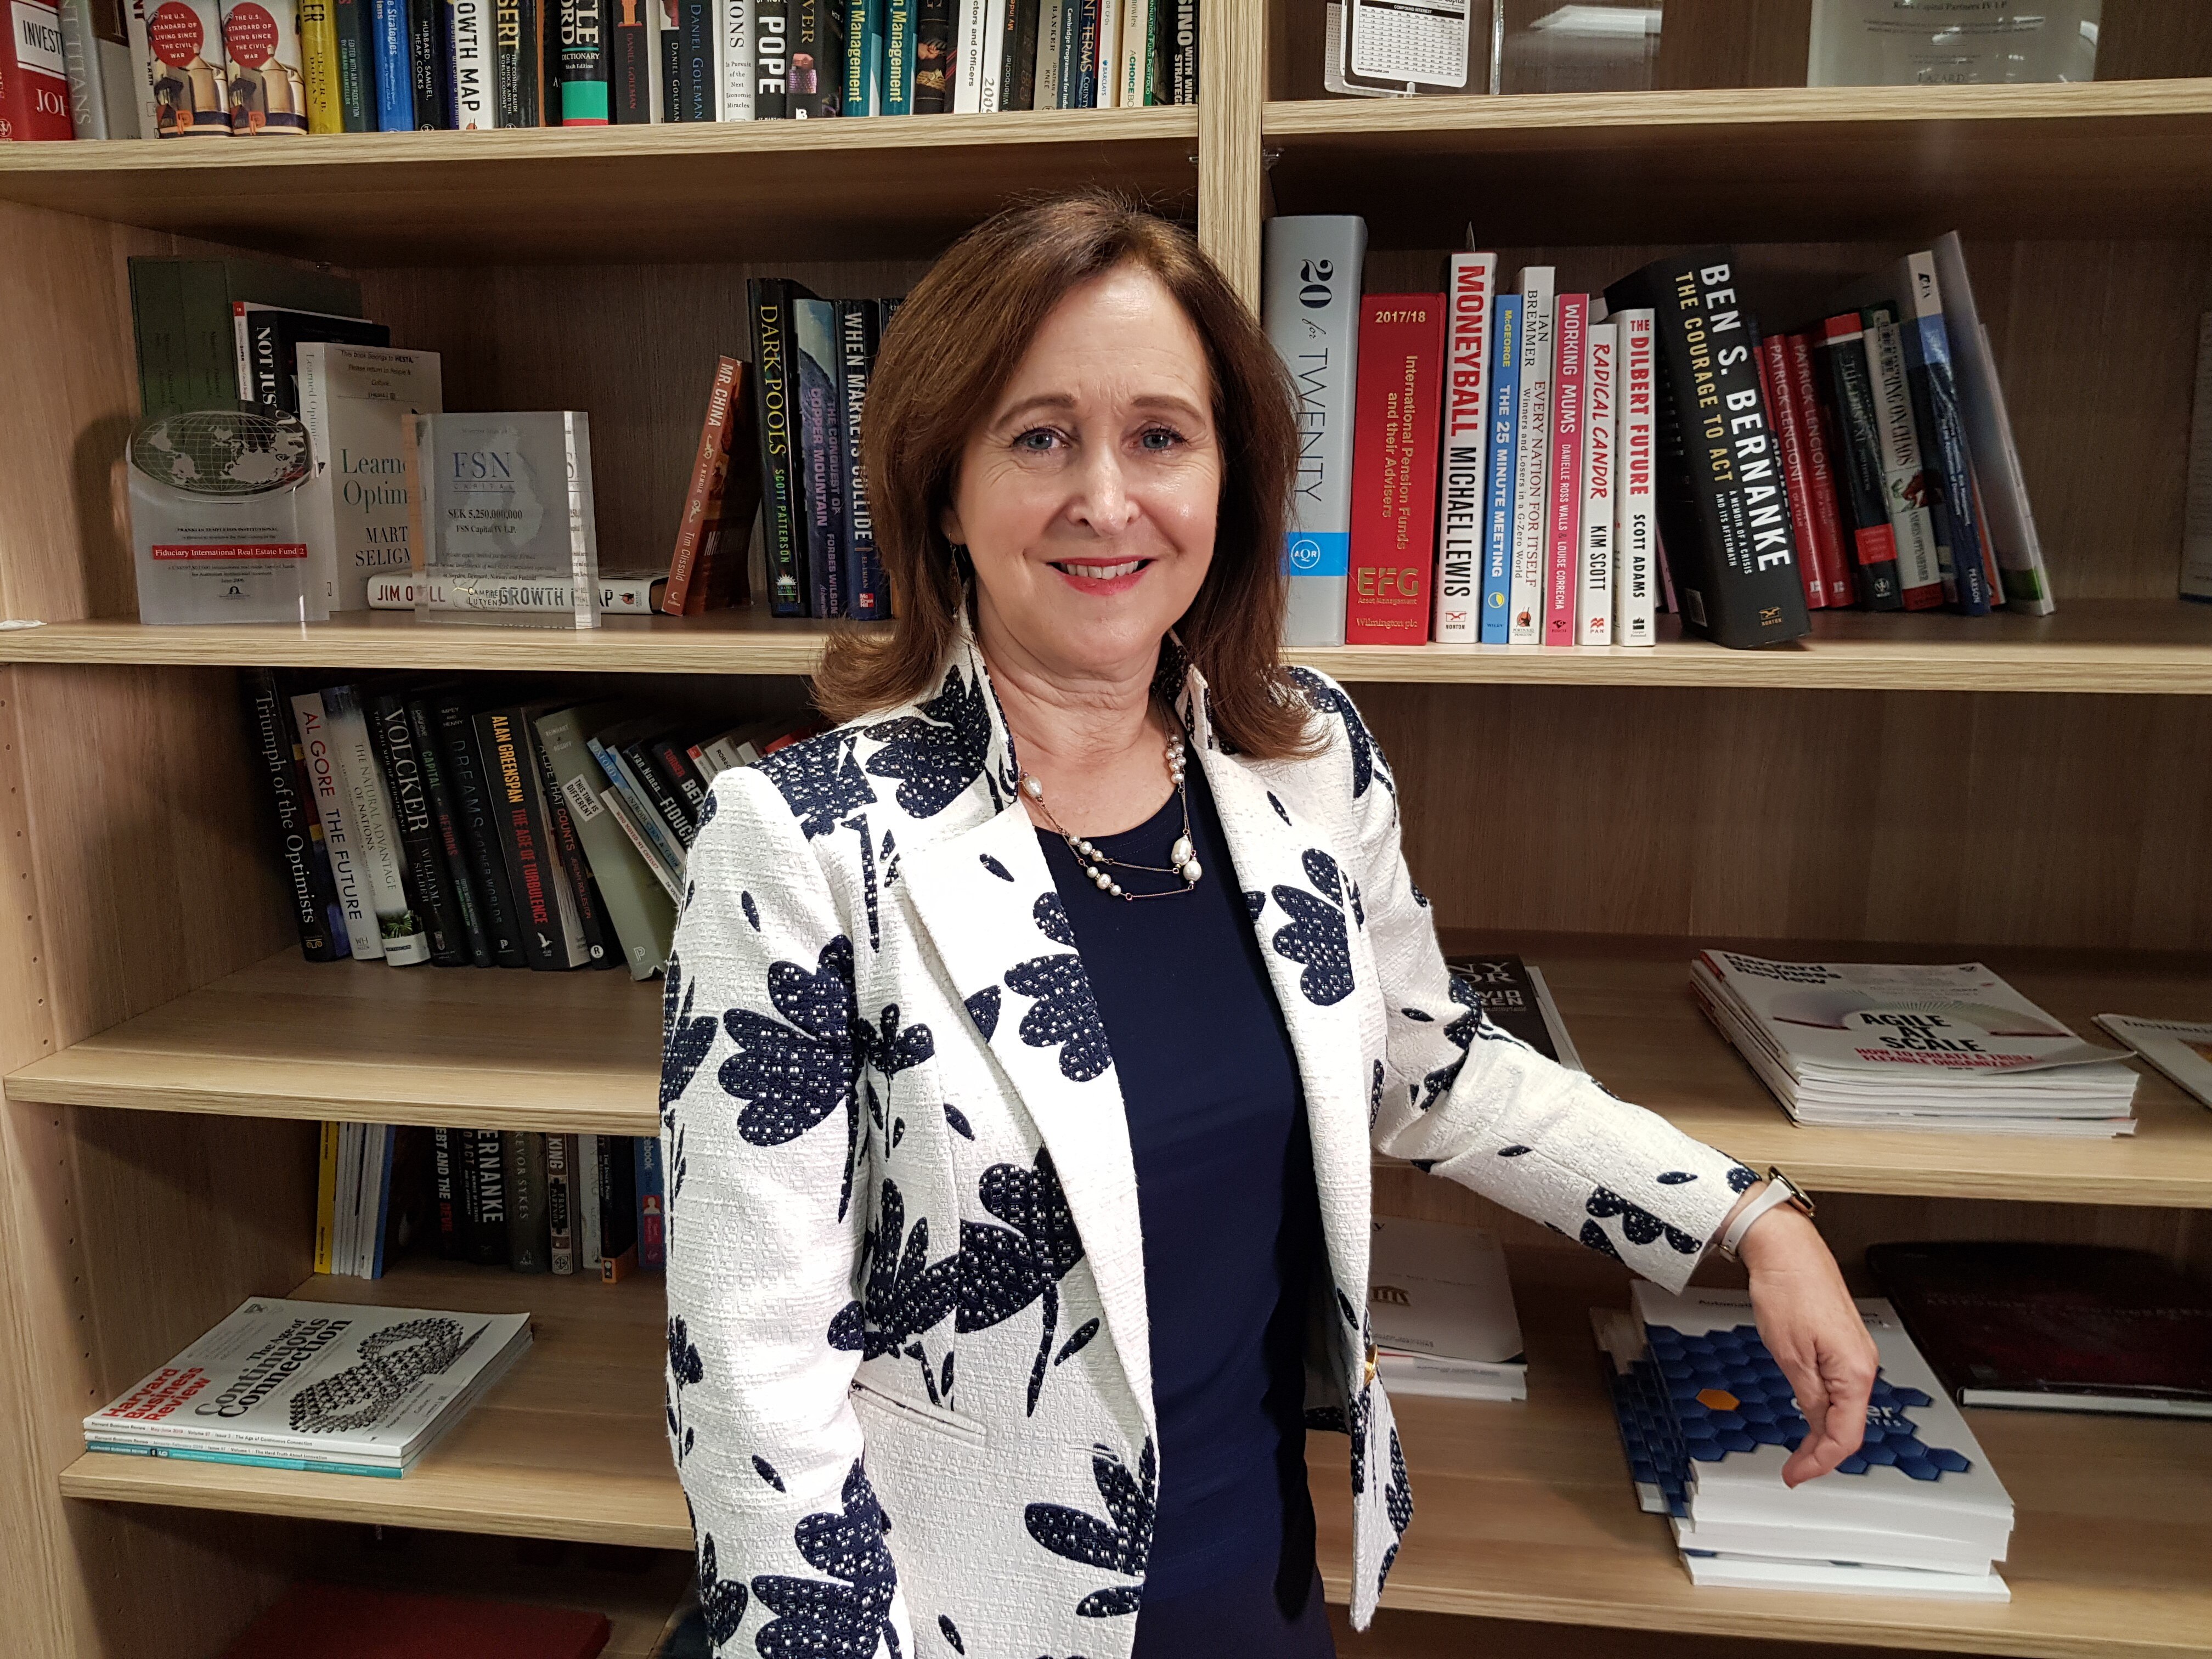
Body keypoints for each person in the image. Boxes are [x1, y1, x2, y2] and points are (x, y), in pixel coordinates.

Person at [659, 194, 1877, 1659]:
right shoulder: (801, 840)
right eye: (1039, 437)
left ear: (1228, 479)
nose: (1107, 500)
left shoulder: (1303, 756)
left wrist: (1747, 1215)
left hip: (1258, 1584)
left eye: (1160, 437)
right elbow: (748, 1368)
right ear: (943, 490)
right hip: (958, 1616)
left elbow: (1430, 1067)